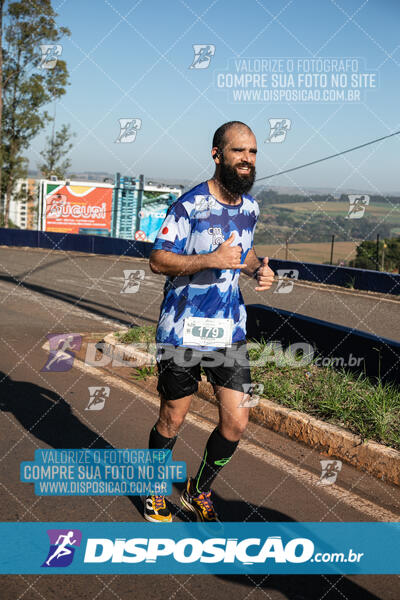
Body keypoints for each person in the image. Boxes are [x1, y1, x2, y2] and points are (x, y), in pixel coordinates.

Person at [144, 121, 274, 523]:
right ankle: (152, 490)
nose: (247, 160)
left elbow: (244, 253)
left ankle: (197, 490)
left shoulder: (250, 208)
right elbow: (157, 259)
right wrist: (209, 260)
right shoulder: (188, 206)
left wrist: (257, 270)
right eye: (239, 152)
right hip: (181, 330)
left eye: (252, 153)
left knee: (237, 421)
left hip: (229, 331)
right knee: (173, 417)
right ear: (217, 154)